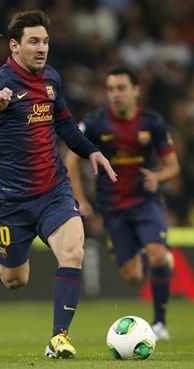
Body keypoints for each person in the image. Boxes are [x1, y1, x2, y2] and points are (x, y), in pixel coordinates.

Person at [0, 10, 117, 359]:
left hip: (53, 191)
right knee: (15, 280)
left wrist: (92, 152)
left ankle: (59, 338)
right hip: (10, 201)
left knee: (73, 251)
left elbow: (64, 125)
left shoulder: (51, 79)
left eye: (46, 41)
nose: (42, 48)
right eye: (34, 41)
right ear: (15, 45)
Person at [65, 66, 180, 341]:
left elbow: (172, 166)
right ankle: (154, 255)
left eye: (121, 88)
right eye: (111, 89)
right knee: (131, 276)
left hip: (145, 202)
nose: (115, 94)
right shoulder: (96, 123)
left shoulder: (152, 122)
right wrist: (79, 198)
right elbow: (70, 158)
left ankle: (160, 324)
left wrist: (157, 176)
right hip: (113, 208)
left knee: (156, 254)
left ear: (136, 90)